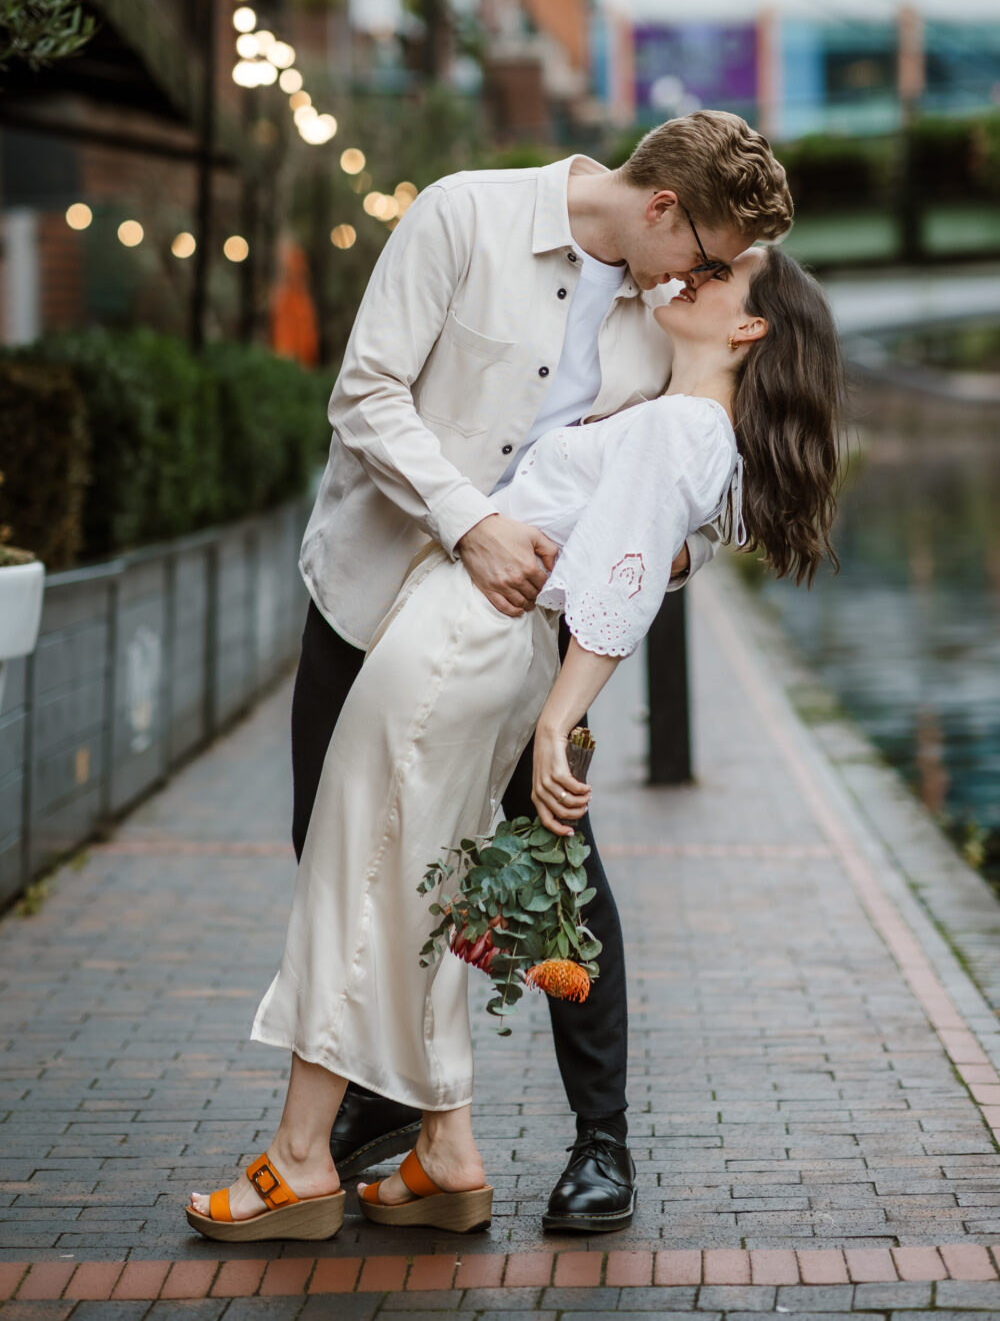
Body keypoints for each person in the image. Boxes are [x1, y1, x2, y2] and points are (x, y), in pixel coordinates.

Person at [186, 241, 845, 1242]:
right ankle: (444, 1149)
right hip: (484, 641)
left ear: (748, 328)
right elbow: (621, 560)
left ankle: (300, 1160)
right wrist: (549, 706)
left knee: (356, 883)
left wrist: (556, 720)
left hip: (460, 637)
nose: (689, 278)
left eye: (716, 279)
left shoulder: (680, 426)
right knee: (424, 895)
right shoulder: (680, 426)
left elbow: (620, 582)